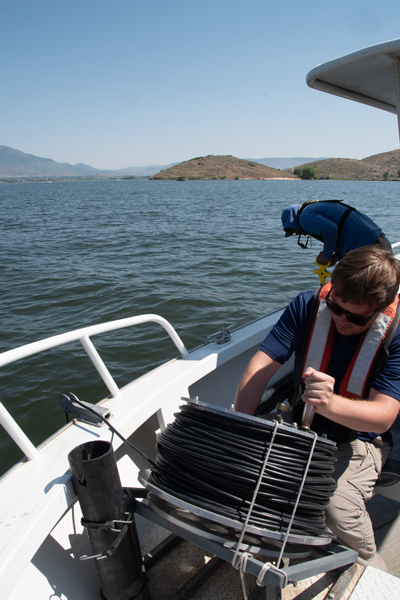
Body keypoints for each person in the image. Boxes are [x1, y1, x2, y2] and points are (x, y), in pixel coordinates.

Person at [234, 247, 400, 571]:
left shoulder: (396, 334)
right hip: (301, 421)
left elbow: (384, 417)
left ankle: (372, 572)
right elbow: (261, 368)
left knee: (337, 508)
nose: (341, 320)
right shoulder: (307, 305)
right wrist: (241, 428)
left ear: (379, 310)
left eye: (355, 317)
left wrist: (331, 403)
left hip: (360, 438)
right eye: (336, 307)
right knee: (244, 470)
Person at [281, 199, 391, 265]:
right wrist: (337, 257)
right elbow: (345, 232)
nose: (295, 233)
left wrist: (326, 255)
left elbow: (331, 230)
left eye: (291, 230)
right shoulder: (314, 209)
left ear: (293, 221)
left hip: (372, 250)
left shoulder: (305, 217)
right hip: (381, 244)